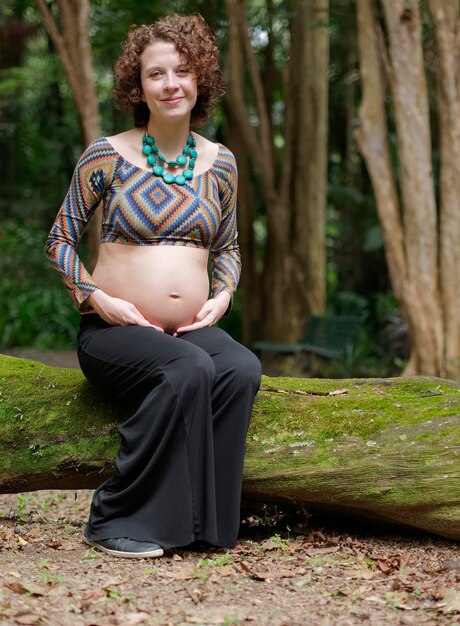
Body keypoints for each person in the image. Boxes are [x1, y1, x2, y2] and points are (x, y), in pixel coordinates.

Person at [45, 13, 261, 559]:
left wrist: (222, 296)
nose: (171, 84)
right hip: (113, 331)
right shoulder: (107, 155)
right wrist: (98, 299)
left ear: (200, 79)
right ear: (137, 87)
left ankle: (203, 524)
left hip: (186, 329)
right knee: (187, 368)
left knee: (239, 368)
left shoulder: (222, 164)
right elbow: (59, 241)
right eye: (156, 74)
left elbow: (229, 248)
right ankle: (112, 514)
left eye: (182, 71)